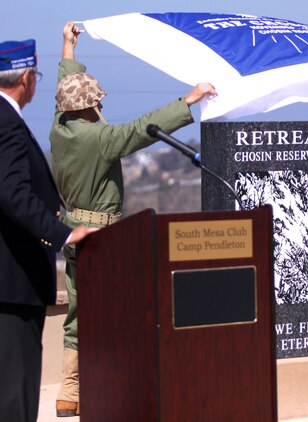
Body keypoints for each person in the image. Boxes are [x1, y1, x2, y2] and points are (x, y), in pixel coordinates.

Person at [50, 21, 218, 417]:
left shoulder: (59, 130)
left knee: (77, 313)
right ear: (89, 106)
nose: (101, 107)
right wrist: (189, 100)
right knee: (117, 312)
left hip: (71, 230)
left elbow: (67, 83)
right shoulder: (99, 139)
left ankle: (69, 392)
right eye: (97, 102)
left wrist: (67, 47)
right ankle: (112, 384)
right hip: (104, 238)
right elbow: (140, 130)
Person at [0, 39, 95, 422]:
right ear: (26, 78)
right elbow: (12, 192)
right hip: (12, 286)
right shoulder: (6, 123)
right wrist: (63, 234)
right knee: (14, 398)